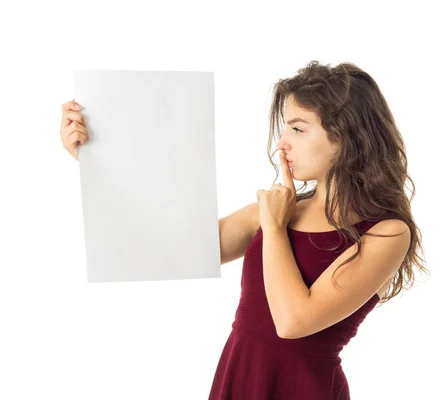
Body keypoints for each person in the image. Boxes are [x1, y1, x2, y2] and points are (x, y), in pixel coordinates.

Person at [60, 60, 428, 399]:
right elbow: (164, 245)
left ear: (347, 136)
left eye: (298, 128)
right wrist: (97, 159)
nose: (282, 141)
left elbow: (293, 321)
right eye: (285, 126)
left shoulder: (386, 233)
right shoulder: (277, 211)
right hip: (238, 377)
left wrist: (273, 226)